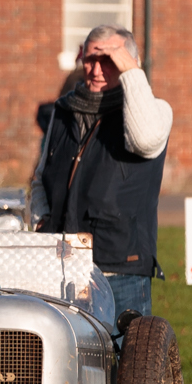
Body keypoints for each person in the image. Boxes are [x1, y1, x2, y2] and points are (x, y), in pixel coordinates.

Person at [31, 25, 173, 320]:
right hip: (63, 265)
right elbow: (40, 177)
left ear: (129, 63)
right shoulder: (64, 110)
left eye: (108, 60)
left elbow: (144, 141)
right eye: (90, 60)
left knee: (126, 360)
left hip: (119, 268)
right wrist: (42, 221)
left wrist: (131, 73)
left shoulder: (157, 112)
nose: (96, 70)